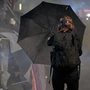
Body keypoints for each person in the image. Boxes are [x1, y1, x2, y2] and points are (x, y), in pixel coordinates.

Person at [47, 16, 82, 90]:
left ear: (60, 25)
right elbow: (80, 52)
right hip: (72, 72)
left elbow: (48, 43)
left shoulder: (55, 35)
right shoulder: (75, 35)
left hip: (58, 72)